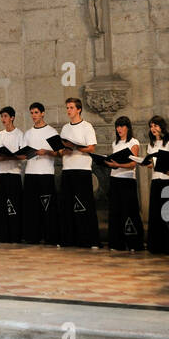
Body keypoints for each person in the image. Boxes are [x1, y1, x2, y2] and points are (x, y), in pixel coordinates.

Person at [58, 96, 98, 248]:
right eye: (67, 108)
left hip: (82, 170)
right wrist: (64, 150)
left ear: (79, 109)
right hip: (68, 169)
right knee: (67, 206)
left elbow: (91, 148)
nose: (68, 110)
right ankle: (68, 239)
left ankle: (89, 239)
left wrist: (76, 147)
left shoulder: (87, 126)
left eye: (71, 108)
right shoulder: (65, 128)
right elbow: (61, 149)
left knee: (84, 205)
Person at [22, 102, 59, 245]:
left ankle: (50, 237)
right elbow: (24, 154)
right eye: (31, 113)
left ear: (42, 113)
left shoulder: (51, 132)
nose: (33, 116)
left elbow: (59, 153)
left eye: (36, 112)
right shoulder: (28, 133)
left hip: (45, 173)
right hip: (31, 172)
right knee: (31, 207)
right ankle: (32, 236)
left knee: (47, 206)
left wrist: (47, 152)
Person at [106, 116, 143, 252]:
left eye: (121, 126)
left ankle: (133, 243)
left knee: (129, 211)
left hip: (127, 180)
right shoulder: (115, 143)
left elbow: (133, 164)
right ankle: (116, 243)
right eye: (117, 126)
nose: (119, 129)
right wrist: (109, 163)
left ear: (128, 127)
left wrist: (118, 164)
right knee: (115, 212)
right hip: (115, 178)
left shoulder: (134, 142)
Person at [144, 115, 169, 254]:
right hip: (155, 181)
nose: (153, 129)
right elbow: (150, 163)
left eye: (156, 126)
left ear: (162, 127)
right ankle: (156, 246)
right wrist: (147, 163)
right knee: (155, 214)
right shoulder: (151, 144)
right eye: (151, 126)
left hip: (168, 181)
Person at [0, 106, 24, 243]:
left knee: (13, 206)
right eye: (2, 116)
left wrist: (9, 157)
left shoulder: (19, 134)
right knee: (0, 206)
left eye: (5, 116)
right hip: (0, 173)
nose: (3, 119)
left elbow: (23, 155)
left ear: (12, 117)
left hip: (13, 174)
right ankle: (2, 235)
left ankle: (15, 235)